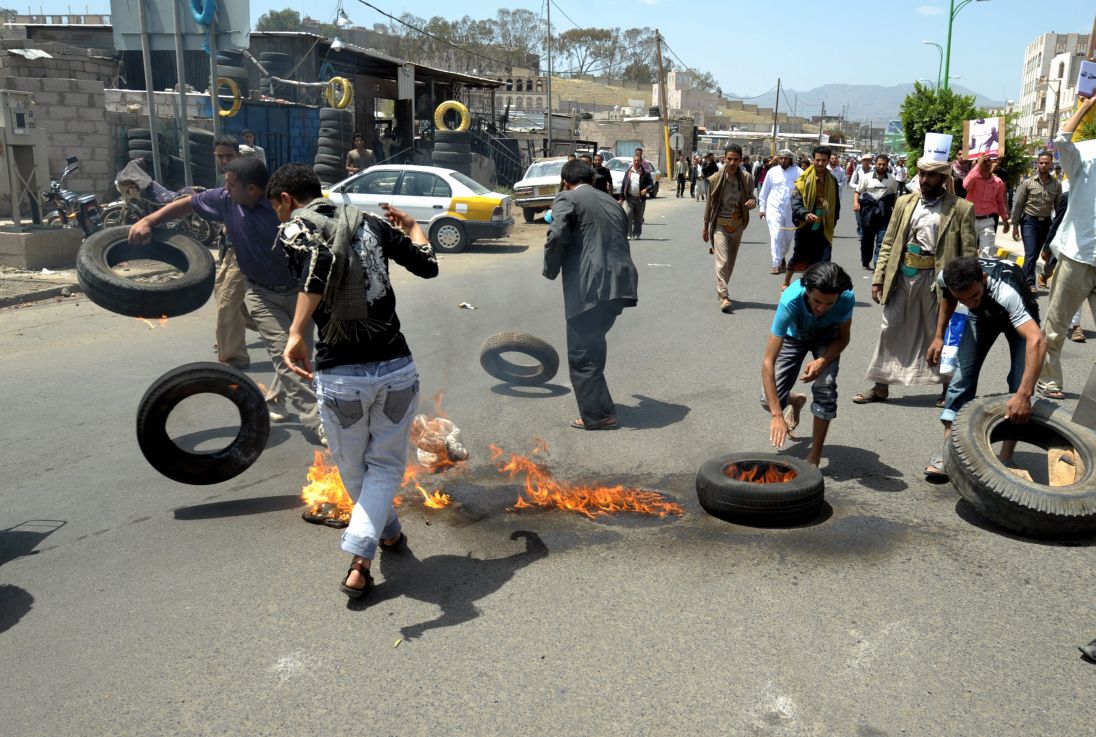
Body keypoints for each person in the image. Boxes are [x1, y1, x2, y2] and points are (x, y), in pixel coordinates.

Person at [267, 163, 438, 599]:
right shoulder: (370, 223)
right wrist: (415, 227)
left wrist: (294, 334)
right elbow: (427, 266)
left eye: (277, 209)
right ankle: (390, 535)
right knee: (382, 468)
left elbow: (320, 263)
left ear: (286, 199)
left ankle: (360, 559)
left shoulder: (295, 229)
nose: (279, 219)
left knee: (358, 472)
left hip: (342, 376)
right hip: (396, 369)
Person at [127, 157, 325, 444]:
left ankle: (276, 400)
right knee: (286, 352)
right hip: (261, 292)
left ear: (253, 189)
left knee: (299, 354)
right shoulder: (226, 200)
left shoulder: (283, 207)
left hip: (300, 293)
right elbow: (188, 203)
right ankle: (317, 422)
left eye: (231, 184)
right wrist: (148, 220)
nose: (225, 188)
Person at [854, 156, 978, 405]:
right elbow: (888, 242)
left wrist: (967, 288)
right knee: (890, 328)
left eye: (931, 175)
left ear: (943, 179)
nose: (924, 180)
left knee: (938, 331)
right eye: (921, 174)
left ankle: (947, 388)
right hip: (902, 277)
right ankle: (881, 386)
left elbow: (969, 252)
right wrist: (878, 278)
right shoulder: (903, 203)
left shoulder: (961, 208)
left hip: (937, 282)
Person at [925, 256, 1045, 478]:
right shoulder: (946, 278)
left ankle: (1006, 457)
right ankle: (948, 454)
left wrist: (1025, 394)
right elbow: (948, 298)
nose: (970, 303)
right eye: (964, 300)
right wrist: (939, 336)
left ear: (983, 279)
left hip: (1018, 316)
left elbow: (1036, 340)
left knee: (1019, 385)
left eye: (974, 296)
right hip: (982, 318)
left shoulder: (1005, 292)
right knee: (961, 379)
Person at [545, 159, 638, 430]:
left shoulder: (567, 197)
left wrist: (549, 269)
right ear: (593, 178)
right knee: (593, 343)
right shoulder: (610, 201)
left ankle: (599, 417)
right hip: (621, 284)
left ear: (566, 182)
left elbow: (558, 233)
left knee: (581, 353)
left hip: (591, 287)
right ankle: (602, 406)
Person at [761, 261, 854, 467]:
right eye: (817, 301)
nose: (822, 308)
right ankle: (792, 400)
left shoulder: (846, 297)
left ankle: (815, 457)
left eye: (829, 304)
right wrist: (777, 415)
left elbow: (844, 338)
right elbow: (768, 362)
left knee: (826, 390)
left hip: (827, 340)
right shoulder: (790, 301)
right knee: (768, 400)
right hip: (795, 337)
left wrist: (822, 360)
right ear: (807, 290)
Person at [1036, 95, 1096, 400]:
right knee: (1056, 325)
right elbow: (1060, 140)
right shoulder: (1086, 153)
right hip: (1078, 253)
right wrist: (1085, 108)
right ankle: (1048, 381)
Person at [701, 145, 756, 313]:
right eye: (729, 159)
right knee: (722, 260)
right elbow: (709, 204)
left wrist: (752, 202)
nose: (732, 163)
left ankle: (722, 290)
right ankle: (723, 296)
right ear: (724, 158)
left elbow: (751, 197)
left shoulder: (746, 179)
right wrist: (705, 226)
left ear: (740, 160)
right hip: (720, 225)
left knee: (730, 263)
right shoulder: (715, 179)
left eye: (736, 159)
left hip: (738, 225)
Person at [784, 146, 840, 290]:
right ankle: (786, 282)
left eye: (823, 161)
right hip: (806, 224)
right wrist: (805, 213)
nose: (820, 164)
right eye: (817, 160)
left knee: (824, 258)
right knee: (799, 255)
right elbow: (795, 201)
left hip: (824, 225)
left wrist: (832, 222)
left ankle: (815, 287)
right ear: (813, 160)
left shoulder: (832, 180)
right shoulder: (803, 179)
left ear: (828, 161)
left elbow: (836, 204)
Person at [1010, 151, 1062, 293]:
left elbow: (1058, 208)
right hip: (1029, 222)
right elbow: (1019, 204)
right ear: (1037, 164)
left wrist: (1059, 228)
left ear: (1051, 164)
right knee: (1031, 253)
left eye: (1046, 163)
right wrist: (1015, 225)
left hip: (1046, 224)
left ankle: (1027, 278)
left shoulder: (1056, 185)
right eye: (1041, 163)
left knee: (1041, 253)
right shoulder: (1028, 182)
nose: (1043, 165)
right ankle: (1029, 283)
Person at [758, 149, 802, 276]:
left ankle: (782, 256)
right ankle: (776, 264)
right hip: (774, 208)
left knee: (788, 239)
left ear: (790, 160)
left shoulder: (798, 172)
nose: (783, 160)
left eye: (786, 158)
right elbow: (764, 191)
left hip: (791, 210)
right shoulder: (772, 172)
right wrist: (762, 208)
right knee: (776, 235)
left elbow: (806, 187)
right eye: (781, 158)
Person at [854, 154, 900, 270]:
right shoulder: (866, 177)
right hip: (868, 213)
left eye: (883, 164)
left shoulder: (892, 179)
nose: (881, 166)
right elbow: (858, 192)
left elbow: (894, 195)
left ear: (887, 164)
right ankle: (865, 261)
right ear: (875, 164)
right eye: (879, 164)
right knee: (867, 240)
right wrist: (856, 203)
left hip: (884, 213)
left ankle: (878, 265)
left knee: (882, 240)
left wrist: (896, 210)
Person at [963, 155, 1010, 257]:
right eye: (984, 161)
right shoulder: (973, 178)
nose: (987, 162)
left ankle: (984, 272)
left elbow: (999, 201)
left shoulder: (998, 182)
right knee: (968, 253)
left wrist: (1005, 219)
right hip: (971, 220)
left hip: (988, 221)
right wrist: (978, 165)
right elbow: (966, 185)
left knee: (987, 253)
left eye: (989, 160)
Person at [618, 149, 654, 239]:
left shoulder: (645, 173)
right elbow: (624, 185)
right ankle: (628, 234)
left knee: (638, 217)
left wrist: (646, 189)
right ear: (632, 161)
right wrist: (621, 198)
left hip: (640, 199)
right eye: (634, 160)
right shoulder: (628, 172)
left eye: (638, 160)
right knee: (628, 215)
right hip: (629, 198)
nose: (636, 162)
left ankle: (636, 234)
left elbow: (651, 185)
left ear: (641, 161)